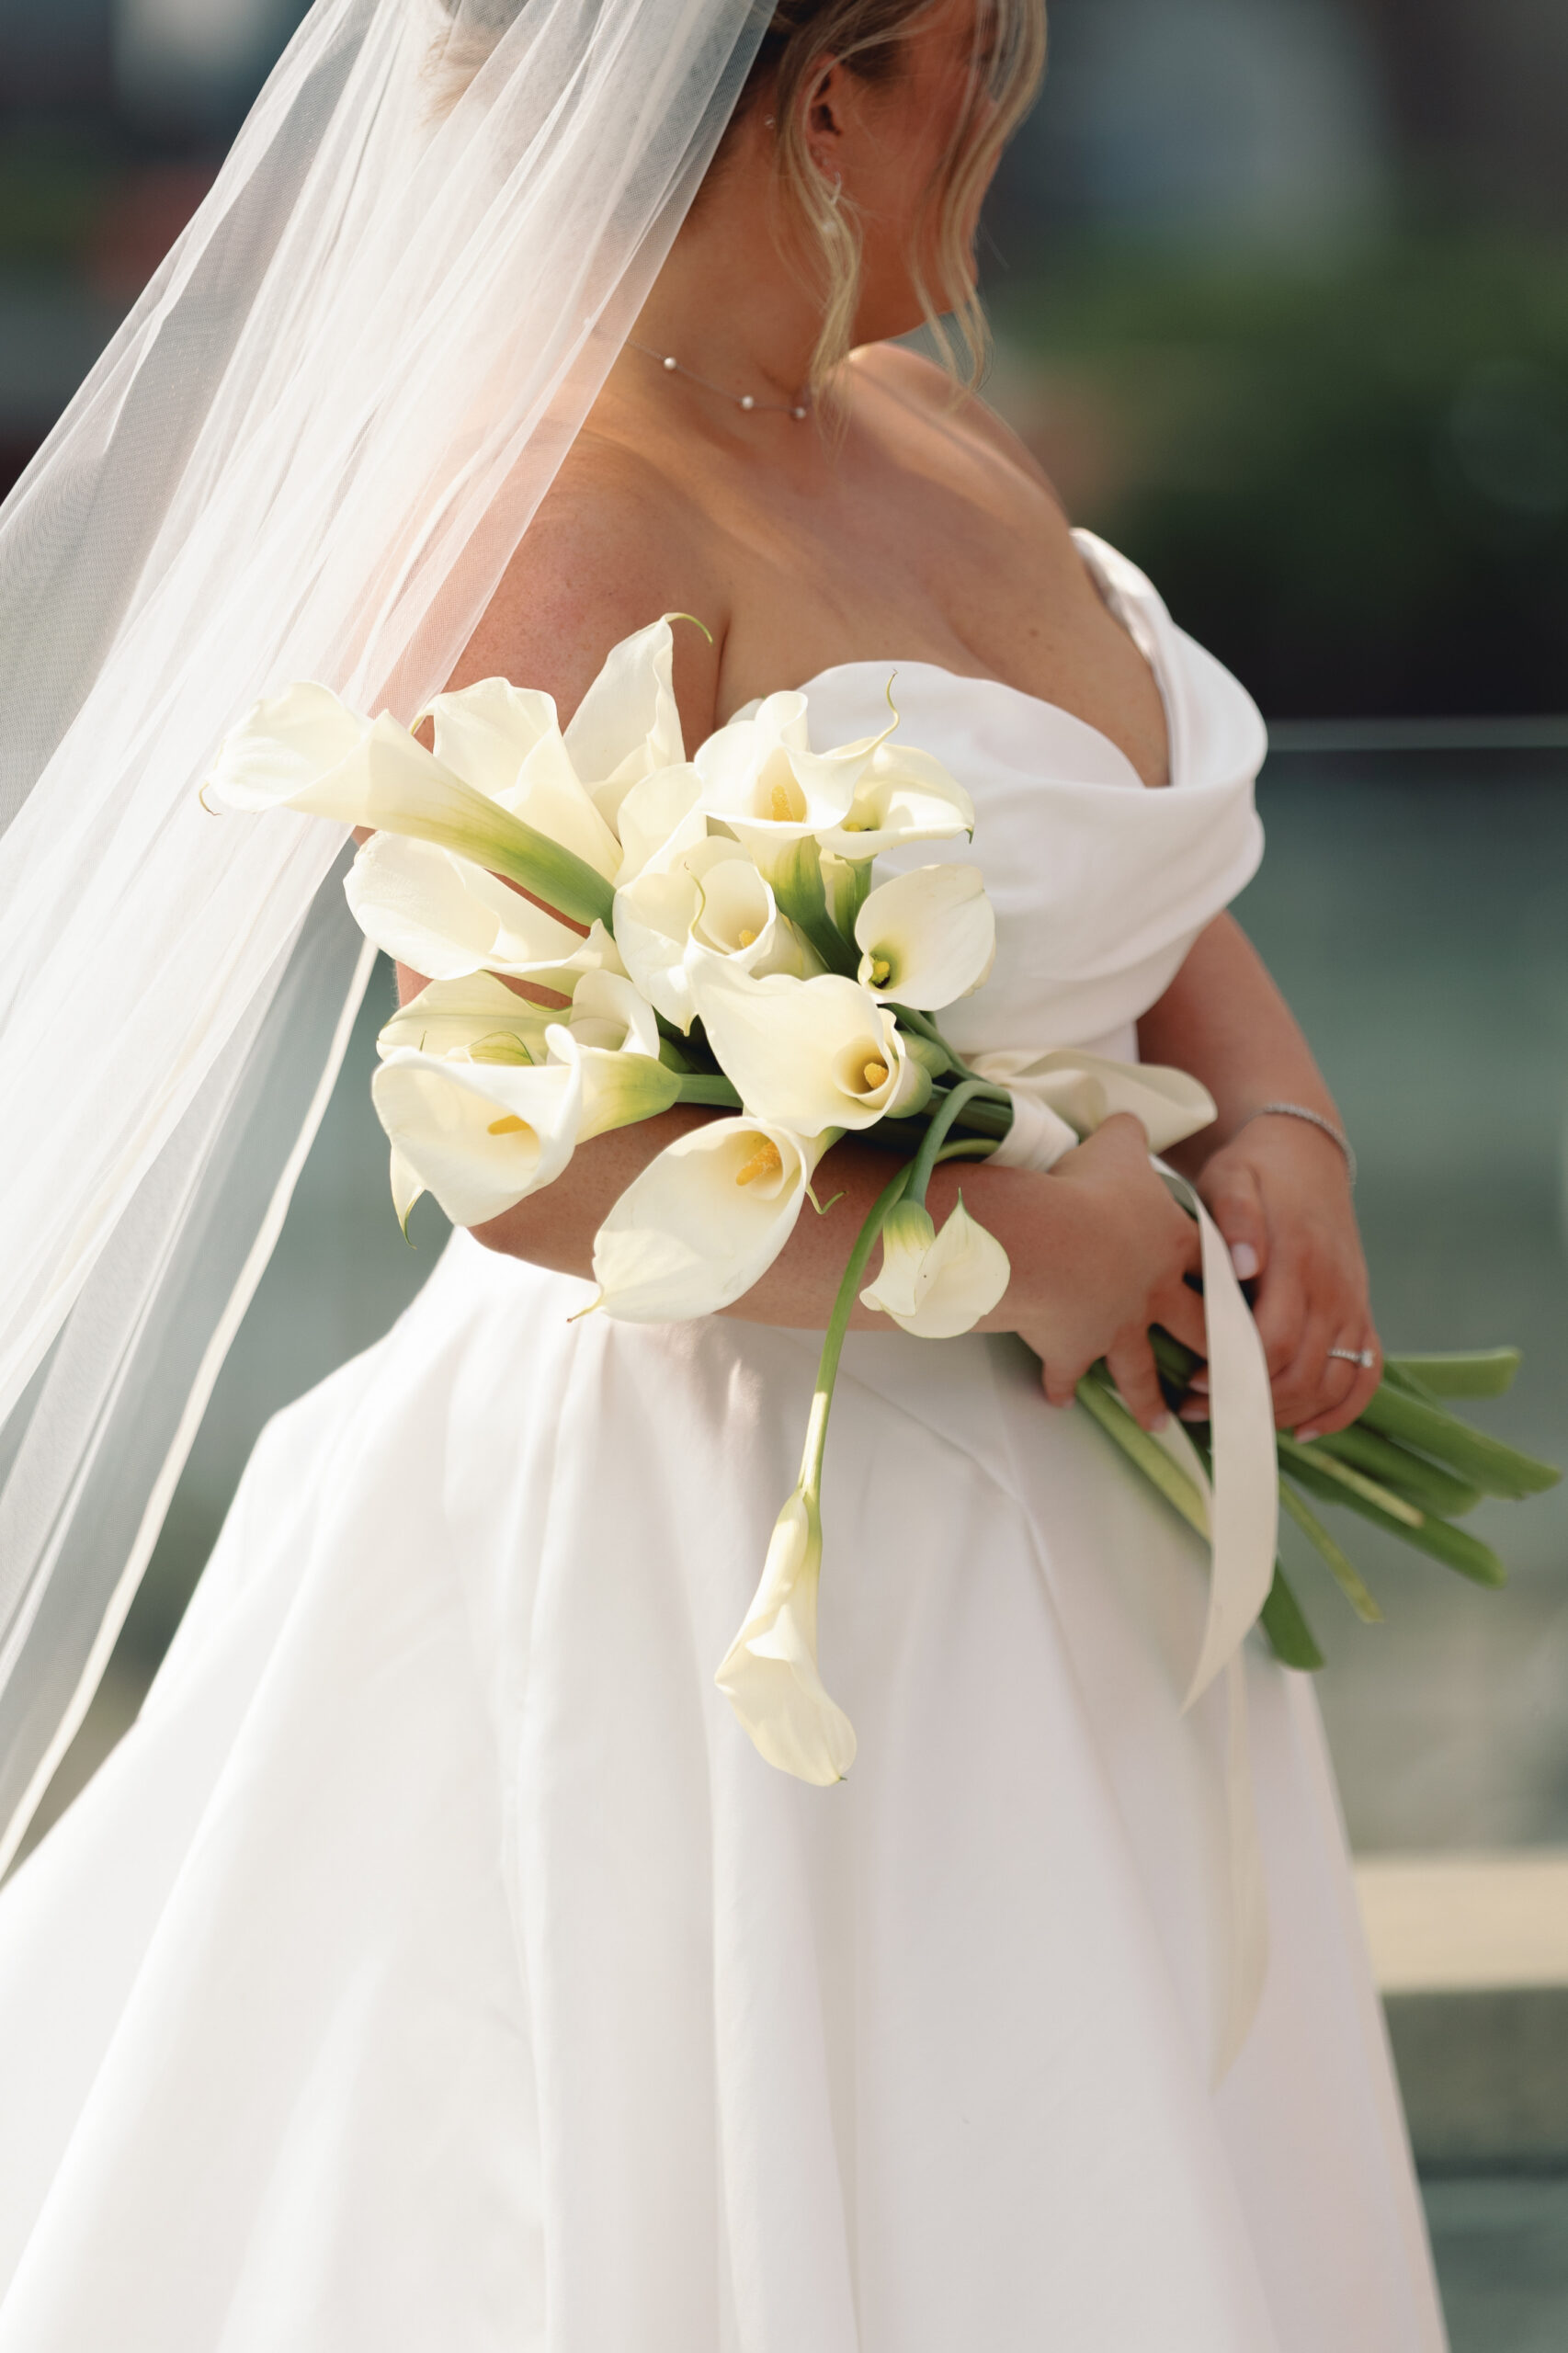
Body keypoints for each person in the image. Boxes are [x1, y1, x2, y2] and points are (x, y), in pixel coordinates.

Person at [0, 1, 1449, 2345]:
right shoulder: (550, 518)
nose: (1009, 108)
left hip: (1084, 1513)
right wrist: (1012, 1237)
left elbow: (1142, 879)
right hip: (746, 1552)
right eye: (976, 59)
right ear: (825, 92)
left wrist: (1287, 1136)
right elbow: (515, 1136)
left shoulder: (924, 416)